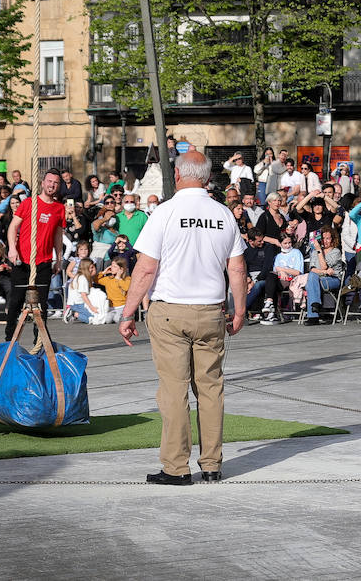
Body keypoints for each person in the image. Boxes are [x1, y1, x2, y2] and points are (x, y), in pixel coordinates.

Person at [119, 151, 247, 485]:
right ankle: (212, 465)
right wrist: (240, 310)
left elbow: (146, 269)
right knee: (210, 388)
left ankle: (176, 467)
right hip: (211, 310)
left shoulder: (164, 212)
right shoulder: (223, 214)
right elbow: (237, 268)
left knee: (174, 390)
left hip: (170, 310)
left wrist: (128, 313)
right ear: (207, 178)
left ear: (177, 175)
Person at [5, 170, 66, 342]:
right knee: (16, 302)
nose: (52, 185)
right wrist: (12, 249)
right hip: (23, 261)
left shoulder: (59, 208)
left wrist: (58, 259)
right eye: (49, 181)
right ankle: (9, 340)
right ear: (42, 183)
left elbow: (58, 236)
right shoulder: (28, 203)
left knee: (41, 305)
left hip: (44, 262)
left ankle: (39, 342)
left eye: (55, 182)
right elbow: (13, 227)